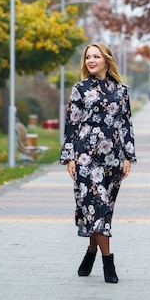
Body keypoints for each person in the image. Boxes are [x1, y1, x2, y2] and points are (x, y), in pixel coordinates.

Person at [60, 42, 136, 283]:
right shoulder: (79, 89)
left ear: (106, 59)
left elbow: (126, 124)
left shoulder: (121, 90)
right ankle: (108, 263)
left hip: (112, 156)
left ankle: (91, 251)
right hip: (86, 156)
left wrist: (127, 156)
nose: (90, 61)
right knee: (98, 205)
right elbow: (71, 124)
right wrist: (70, 157)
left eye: (95, 56)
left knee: (104, 210)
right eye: (87, 57)